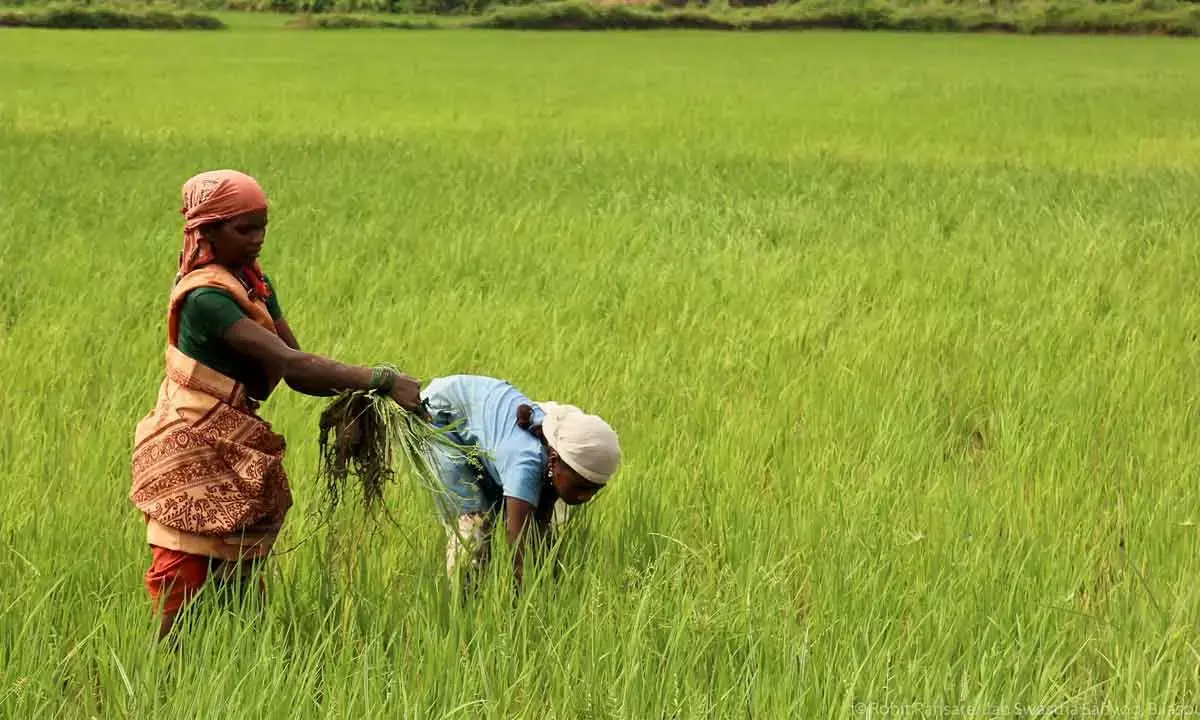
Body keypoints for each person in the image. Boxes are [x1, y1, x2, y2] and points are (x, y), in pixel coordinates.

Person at [129, 169, 424, 640]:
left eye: (262, 226)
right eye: (244, 229)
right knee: (183, 574)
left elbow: (298, 372)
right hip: (192, 440)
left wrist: (364, 396)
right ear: (207, 231)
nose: (258, 238)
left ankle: (244, 662)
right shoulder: (206, 298)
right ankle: (161, 671)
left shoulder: (254, 284)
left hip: (235, 434)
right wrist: (382, 380)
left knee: (241, 572)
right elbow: (291, 362)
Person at [419, 374, 621, 590]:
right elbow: (517, 552)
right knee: (475, 527)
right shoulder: (524, 464)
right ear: (554, 460)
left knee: (533, 520)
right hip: (440, 418)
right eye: (580, 486)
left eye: (595, 489)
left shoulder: (558, 454)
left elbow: (539, 521)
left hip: (482, 415)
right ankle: (462, 598)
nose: (585, 496)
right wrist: (524, 596)